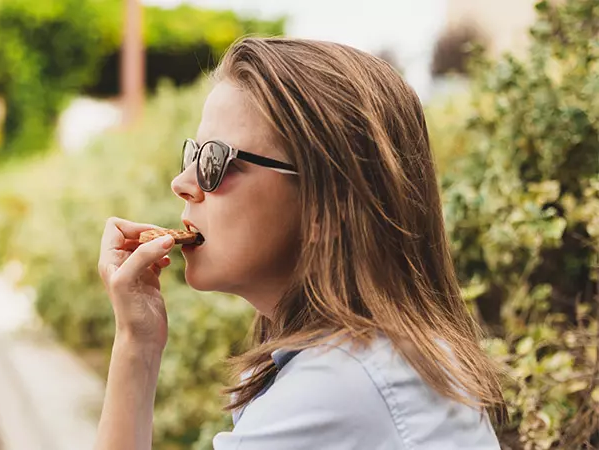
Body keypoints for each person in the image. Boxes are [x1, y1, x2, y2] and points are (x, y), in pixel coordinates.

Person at [94, 37, 506, 450]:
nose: (182, 183)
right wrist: (137, 340)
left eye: (214, 161)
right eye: (193, 154)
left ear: (327, 203)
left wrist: (135, 350)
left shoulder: (338, 388)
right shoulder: (380, 359)